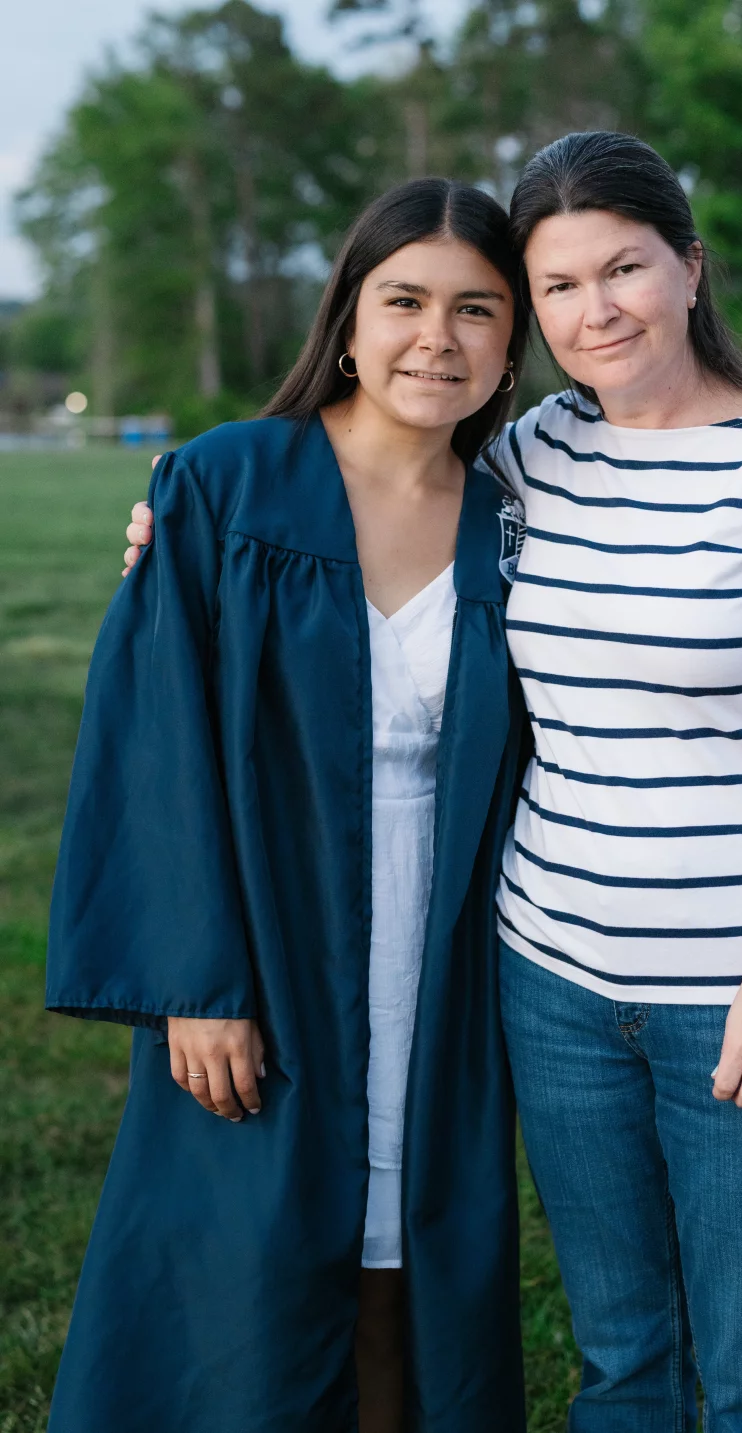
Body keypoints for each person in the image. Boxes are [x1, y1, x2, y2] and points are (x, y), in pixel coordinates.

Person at [121, 132, 742, 1430]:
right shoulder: (536, 455)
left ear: (691, 269)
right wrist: (177, 516)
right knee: (621, 1356)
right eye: (557, 284)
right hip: (552, 985)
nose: (596, 308)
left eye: (626, 269)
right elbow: (352, 480)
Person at [46, 177, 530, 1433]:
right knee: (244, 1265)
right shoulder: (226, 485)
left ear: (512, 338)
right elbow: (151, 744)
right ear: (350, 319)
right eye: (406, 300)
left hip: (444, 942)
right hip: (268, 916)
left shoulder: (515, 521)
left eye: (477, 309)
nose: (439, 337)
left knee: (409, 1252)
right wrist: (197, 981)